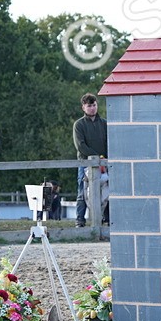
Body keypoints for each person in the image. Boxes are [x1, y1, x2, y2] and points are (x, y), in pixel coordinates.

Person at [73, 93, 109, 227]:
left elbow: (109, 142)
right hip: (85, 164)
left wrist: (104, 159)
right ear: (83, 107)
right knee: (83, 192)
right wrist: (97, 157)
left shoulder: (104, 123)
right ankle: (80, 220)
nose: (92, 108)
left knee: (106, 191)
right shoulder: (79, 125)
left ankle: (107, 219)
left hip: (104, 164)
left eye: (94, 105)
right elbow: (80, 146)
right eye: (89, 106)